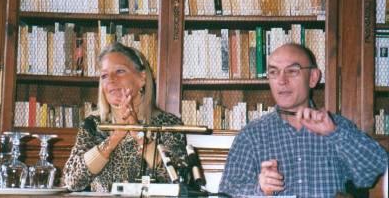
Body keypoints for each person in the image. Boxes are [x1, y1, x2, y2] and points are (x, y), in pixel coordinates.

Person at [219, 43, 388, 197]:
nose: (281, 80)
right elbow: (227, 192)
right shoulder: (252, 135)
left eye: (292, 71)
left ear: (313, 77)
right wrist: (260, 189)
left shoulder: (337, 126)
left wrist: (334, 134)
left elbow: (374, 168)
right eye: (273, 72)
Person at [63, 42, 186, 192]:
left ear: (142, 78)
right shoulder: (93, 124)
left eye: (120, 71)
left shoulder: (168, 123)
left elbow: (177, 179)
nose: (111, 80)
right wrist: (116, 135)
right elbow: (72, 181)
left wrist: (137, 131)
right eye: (104, 75)